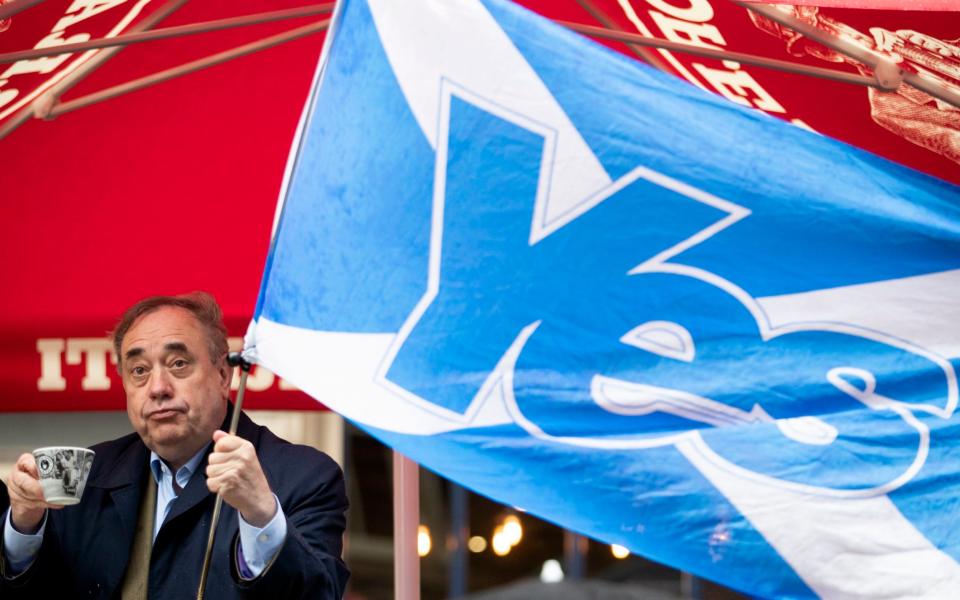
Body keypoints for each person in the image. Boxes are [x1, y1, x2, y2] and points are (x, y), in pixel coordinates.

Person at [0, 292, 349, 598]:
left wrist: (260, 515)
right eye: (139, 370)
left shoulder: (304, 477)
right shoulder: (88, 475)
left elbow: (319, 593)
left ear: (222, 374)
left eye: (178, 364)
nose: (157, 387)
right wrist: (24, 525)